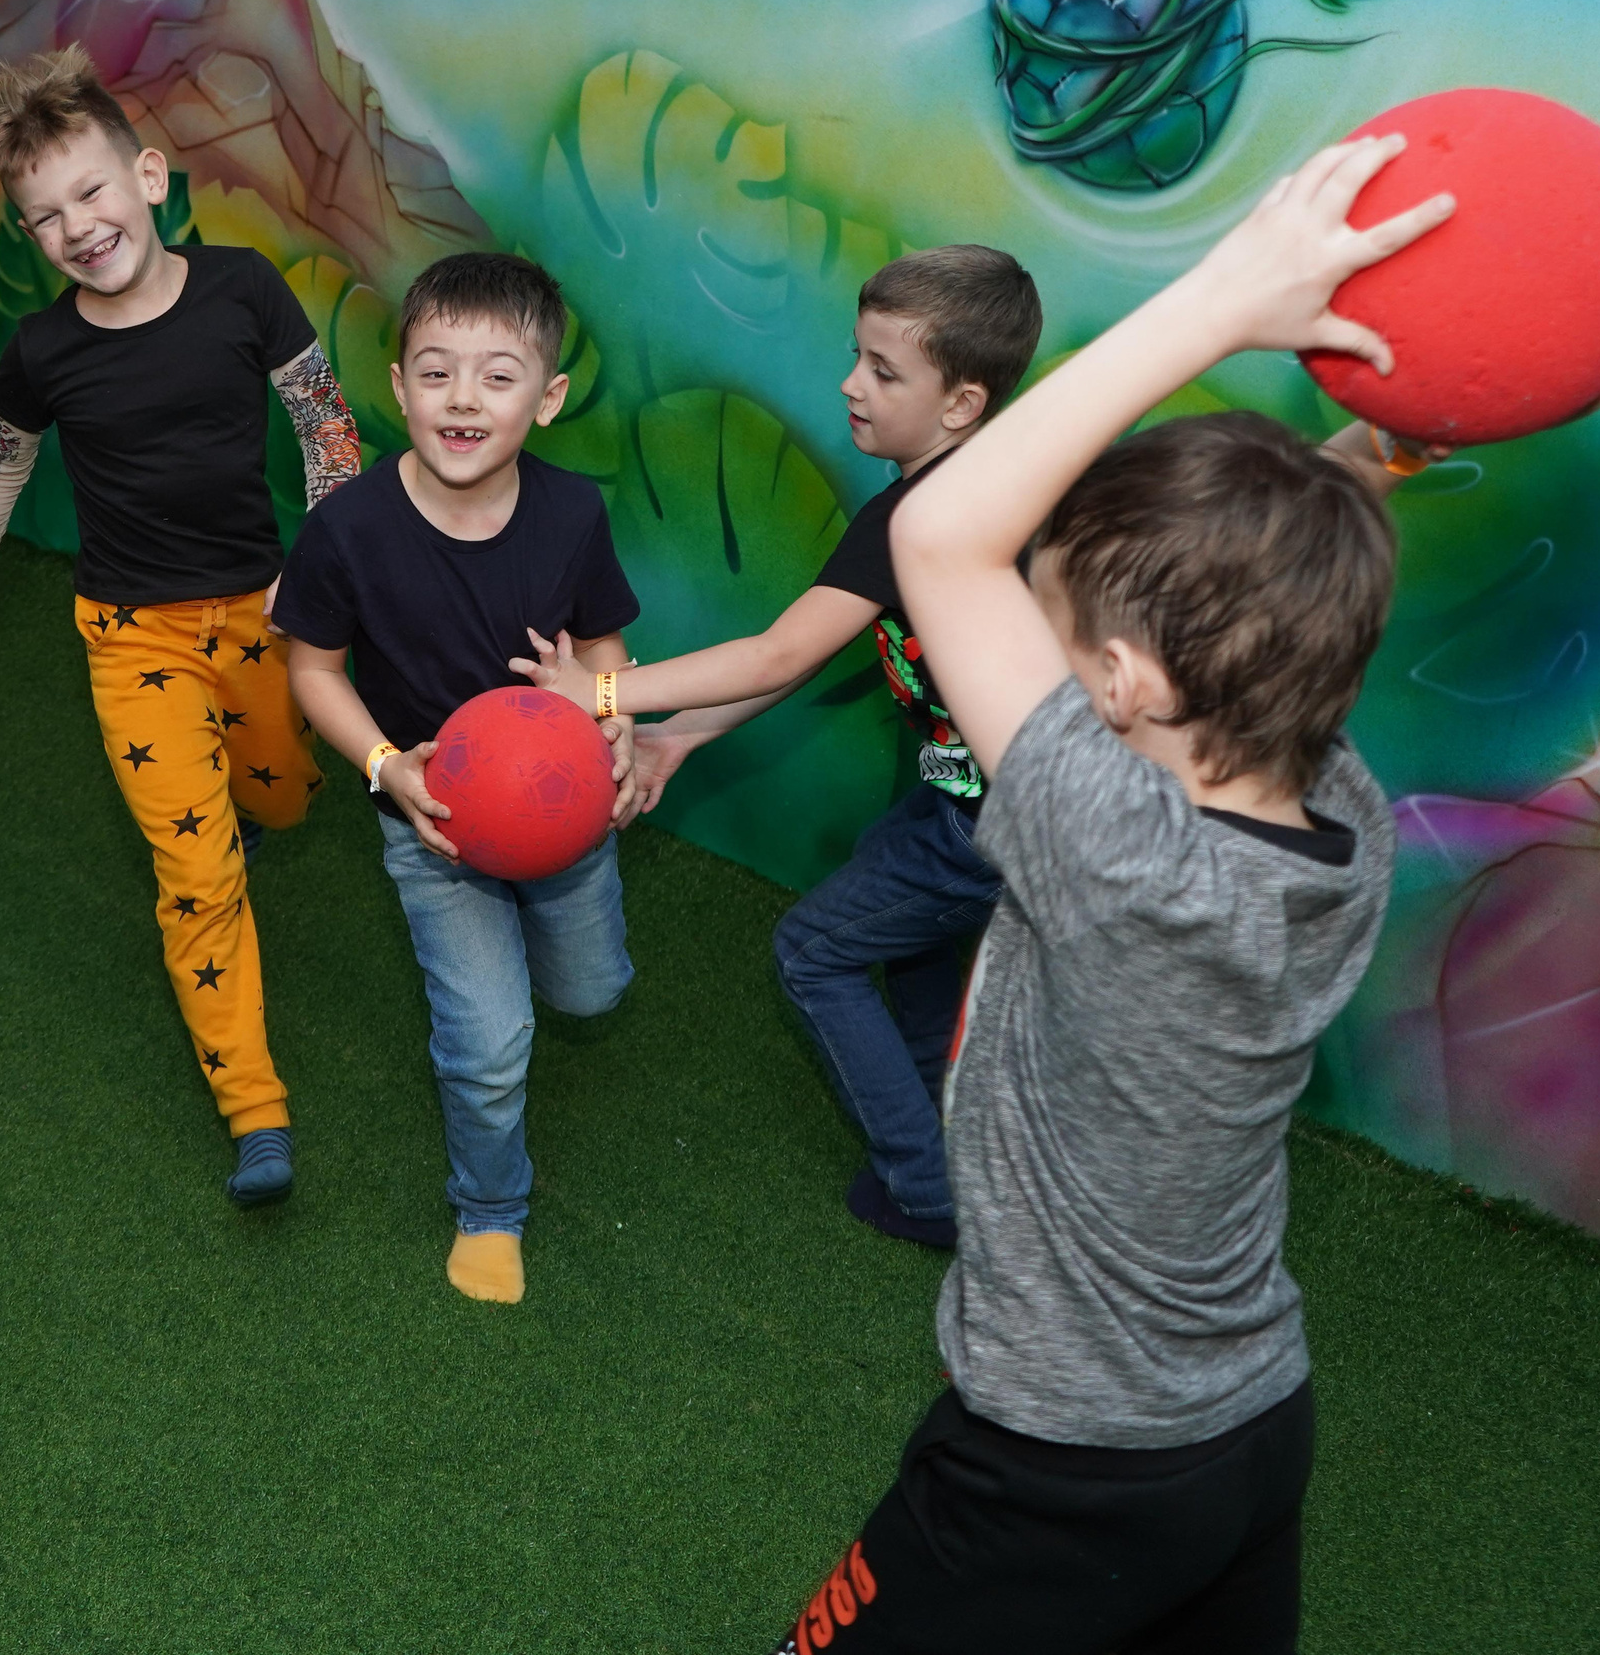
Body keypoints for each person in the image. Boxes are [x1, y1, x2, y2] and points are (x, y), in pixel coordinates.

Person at [767, 134, 1454, 1655]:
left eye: (1064, 635)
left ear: (1129, 686)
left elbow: (941, 532)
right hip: (1251, 1426)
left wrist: (1226, 301)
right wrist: (1361, 460)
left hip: (1054, 1475)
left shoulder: (1124, 861)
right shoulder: (1336, 814)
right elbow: (1286, 608)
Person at [514, 246, 1041, 1249]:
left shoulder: (919, 515)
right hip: (981, 803)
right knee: (920, 955)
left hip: (990, 817)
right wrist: (678, 738)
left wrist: (607, 690)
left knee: (813, 952)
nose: (850, 383)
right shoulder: (992, 480)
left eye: (884, 372)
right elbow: (805, 655)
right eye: (858, 355)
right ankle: (959, 1152)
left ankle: (928, 1191)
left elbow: (778, 651)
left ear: (963, 401)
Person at [0, 44, 361, 1210]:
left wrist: (319, 571)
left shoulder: (244, 290)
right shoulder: (45, 352)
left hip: (265, 618)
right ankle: (255, 1110)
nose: (74, 226)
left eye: (90, 191)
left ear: (151, 177)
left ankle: (255, 808)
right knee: (196, 873)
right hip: (130, 634)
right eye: (42, 217)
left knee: (281, 790)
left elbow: (326, 429)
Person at [276, 254, 642, 1304]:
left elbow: (607, 647)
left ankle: (535, 954)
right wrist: (387, 767)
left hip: (566, 821)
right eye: (436, 372)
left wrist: (610, 721)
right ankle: (491, 1205)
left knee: (590, 989)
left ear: (548, 396)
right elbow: (313, 667)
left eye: (496, 375)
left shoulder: (571, 513)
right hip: (432, 819)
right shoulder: (348, 528)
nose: (463, 399)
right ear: (397, 385)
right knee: (488, 1039)